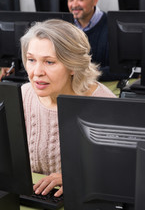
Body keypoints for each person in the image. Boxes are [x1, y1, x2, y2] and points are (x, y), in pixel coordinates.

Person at [20, 19, 116, 197]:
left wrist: (77, 176)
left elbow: (120, 170)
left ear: (72, 65)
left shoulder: (104, 104)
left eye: (49, 62)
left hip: (83, 196)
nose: (36, 72)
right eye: (31, 60)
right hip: (33, 194)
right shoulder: (24, 94)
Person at [67, 0, 126, 81]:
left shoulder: (114, 26)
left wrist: (80, 73)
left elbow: (122, 70)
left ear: (95, 0)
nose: (74, 4)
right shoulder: (66, 26)